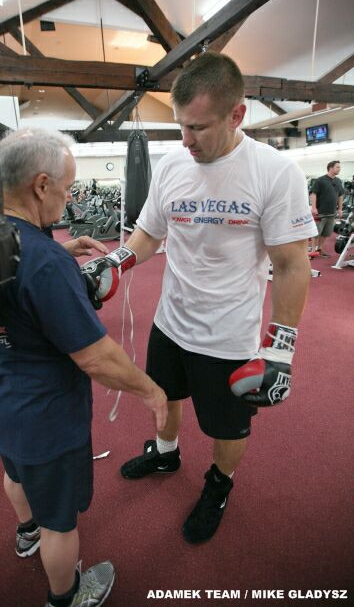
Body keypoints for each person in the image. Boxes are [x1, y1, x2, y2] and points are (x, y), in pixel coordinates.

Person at [81, 51, 318, 545]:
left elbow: (294, 265)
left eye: (198, 128)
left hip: (229, 335)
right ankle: (166, 451)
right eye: (180, 127)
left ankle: (218, 484)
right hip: (171, 320)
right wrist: (115, 261)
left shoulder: (275, 172)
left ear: (237, 115)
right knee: (164, 395)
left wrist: (280, 347)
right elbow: (148, 233)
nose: (186, 141)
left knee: (227, 429)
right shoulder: (173, 165)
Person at [0, 128, 167, 607]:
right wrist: (151, 391)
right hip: (47, 416)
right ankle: (68, 597)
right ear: (40, 185)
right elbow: (96, 356)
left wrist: (58, 254)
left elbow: (17, 293)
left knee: (16, 474)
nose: (70, 195)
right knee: (62, 522)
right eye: (66, 187)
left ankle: (24, 533)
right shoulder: (44, 265)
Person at [309, 160, 344, 257]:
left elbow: (341, 195)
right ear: (331, 168)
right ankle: (313, 250)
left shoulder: (338, 181)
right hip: (320, 212)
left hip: (331, 213)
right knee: (316, 232)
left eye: (339, 167)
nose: (339, 169)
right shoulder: (320, 180)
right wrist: (314, 208)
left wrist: (340, 209)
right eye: (337, 167)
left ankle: (319, 249)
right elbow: (313, 194)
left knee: (326, 233)